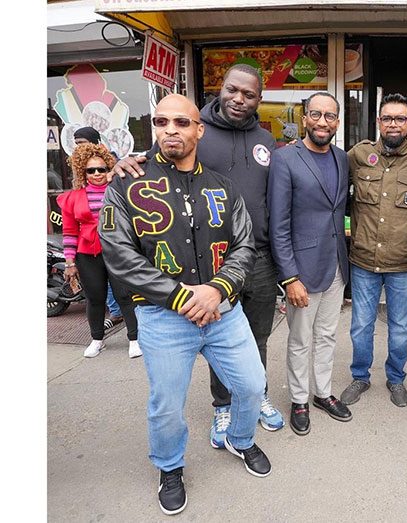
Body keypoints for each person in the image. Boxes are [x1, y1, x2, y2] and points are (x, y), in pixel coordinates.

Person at [99, 94, 271, 515]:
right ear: (153, 128)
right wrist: (180, 296)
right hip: (163, 316)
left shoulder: (223, 187)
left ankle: (241, 439)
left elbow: (244, 246)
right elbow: (119, 253)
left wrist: (217, 290)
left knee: (251, 385)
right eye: (161, 121)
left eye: (181, 122)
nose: (170, 129)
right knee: (167, 404)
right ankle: (170, 467)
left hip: (222, 312)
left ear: (199, 130)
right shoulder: (125, 184)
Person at [111, 64, 284, 447]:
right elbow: (158, 160)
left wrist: (225, 286)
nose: (239, 98)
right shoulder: (178, 137)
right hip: (181, 288)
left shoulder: (265, 140)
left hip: (250, 260)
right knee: (173, 395)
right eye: (232, 90)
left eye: (249, 94)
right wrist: (123, 163)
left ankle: (252, 406)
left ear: (259, 99)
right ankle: (220, 410)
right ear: (219, 92)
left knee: (256, 344)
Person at [339, 93, 407, 408]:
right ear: (379, 122)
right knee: (361, 326)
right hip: (364, 259)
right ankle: (360, 377)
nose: (393, 124)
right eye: (387, 118)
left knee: (399, 329)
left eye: (400, 118)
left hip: (403, 263)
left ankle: (396, 379)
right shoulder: (358, 155)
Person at [268, 92, 352, 435]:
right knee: (301, 339)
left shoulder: (342, 158)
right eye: (315, 114)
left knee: (327, 335)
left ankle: (323, 393)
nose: (322, 122)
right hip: (301, 268)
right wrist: (289, 277)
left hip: (335, 264)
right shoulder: (285, 159)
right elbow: (278, 223)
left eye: (330, 116)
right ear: (304, 118)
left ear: (337, 121)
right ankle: (299, 399)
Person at [56, 143, 140, 359]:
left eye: (101, 169)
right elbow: (69, 231)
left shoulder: (119, 191)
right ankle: (97, 339)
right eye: (90, 170)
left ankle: (134, 338)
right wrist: (69, 261)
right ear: (82, 171)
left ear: (108, 168)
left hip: (118, 251)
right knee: (95, 298)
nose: (96, 174)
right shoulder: (73, 198)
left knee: (125, 296)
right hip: (88, 254)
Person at [71, 126, 126, 327]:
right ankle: (115, 312)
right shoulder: (79, 172)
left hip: (115, 241)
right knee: (99, 288)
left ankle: (125, 320)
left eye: (82, 142)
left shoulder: (111, 163)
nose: (96, 173)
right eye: (76, 143)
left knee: (121, 287)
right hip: (90, 246)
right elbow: (70, 226)